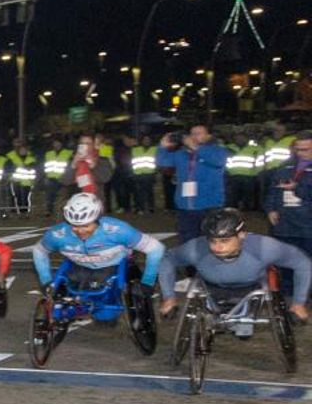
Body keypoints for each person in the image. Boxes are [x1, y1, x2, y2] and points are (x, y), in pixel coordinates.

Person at [158, 208, 312, 323]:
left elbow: (302, 262)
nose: (217, 247)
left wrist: (299, 303)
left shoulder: (264, 247)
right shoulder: (195, 249)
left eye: (225, 241)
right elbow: (167, 261)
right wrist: (169, 298)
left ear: (242, 235)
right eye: (213, 240)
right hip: (210, 287)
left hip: (252, 287)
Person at [31, 193, 164, 302]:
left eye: (86, 226)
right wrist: (46, 281)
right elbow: (39, 250)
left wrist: (148, 282)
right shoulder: (57, 234)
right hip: (79, 268)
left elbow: (156, 248)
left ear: (97, 220)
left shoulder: (119, 230)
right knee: (60, 292)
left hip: (114, 267)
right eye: (75, 226)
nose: (80, 231)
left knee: (106, 313)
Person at [157, 124, 228, 244]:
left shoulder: (218, 150)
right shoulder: (181, 153)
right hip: (185, 206)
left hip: (210, 205)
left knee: (210, 240)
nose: (194, 136)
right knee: (187, 241)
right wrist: (162, 147)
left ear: (208, 136)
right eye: (192, 133)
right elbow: (163, 162)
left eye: (199, 133)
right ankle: (189, 262)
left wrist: (195, 147)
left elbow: (218, 161)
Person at [264, 131, 312, 300]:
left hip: (308, 225)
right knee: (284, 261)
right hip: (285, 223)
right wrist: (270, 209)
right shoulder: (285, 166)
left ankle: (304, 295)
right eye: (297, 149)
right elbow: (272, 190)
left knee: (307, 262)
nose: (301, 153)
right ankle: (286, 296)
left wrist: (296, 189)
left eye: (305, 149)